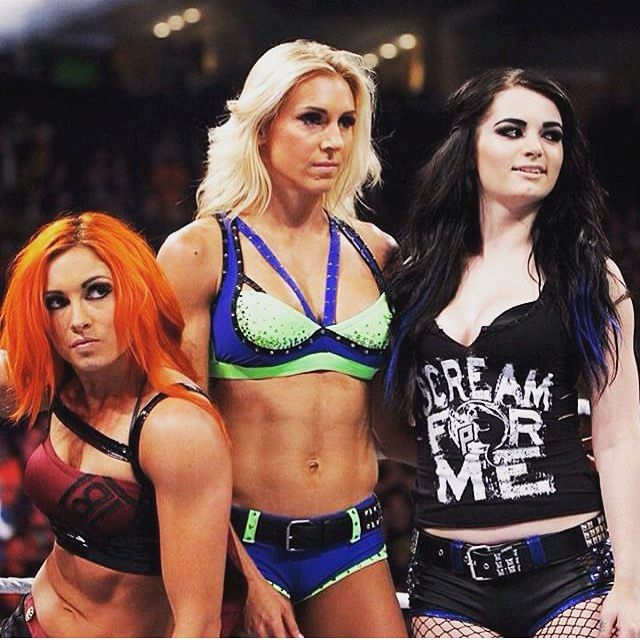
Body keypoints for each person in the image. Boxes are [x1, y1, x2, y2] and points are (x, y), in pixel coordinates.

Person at [377, 67, 640, 638]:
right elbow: (386, 425)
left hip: (571, 571)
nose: (535, 147)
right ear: (468, 144)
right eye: (512, 130)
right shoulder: (413, 278)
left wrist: (632, 581)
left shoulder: (589, 275)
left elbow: (620, 434)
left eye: (552, 135)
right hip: (445, 581)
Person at [157, 40, 407, 637]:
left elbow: (389, 423)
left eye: (346, 122)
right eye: (312, 119)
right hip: (238, 542)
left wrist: (524, 457)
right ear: (263, 128)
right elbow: (180, 444)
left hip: (354, 541)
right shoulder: (199, 252)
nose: (334, 140)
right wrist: (245, 575)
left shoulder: (377, 252)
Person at [0, 212, 232, 637]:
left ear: (136, 293)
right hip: (27, 624)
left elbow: (197, 624)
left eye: (98, 292)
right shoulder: (59, 376)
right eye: (56, 302)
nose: (78, 319)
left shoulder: (176, 427)